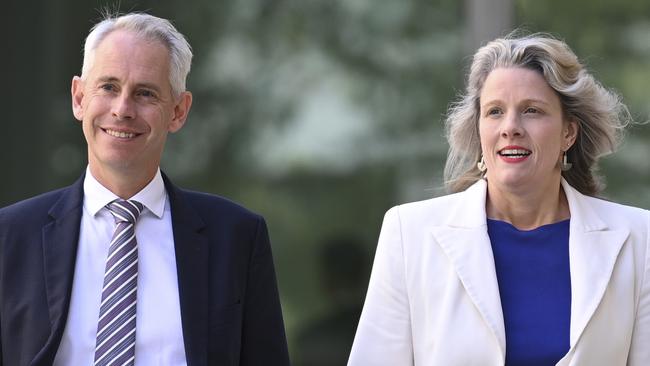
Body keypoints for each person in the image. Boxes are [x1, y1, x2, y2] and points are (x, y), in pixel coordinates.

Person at [0, 12, 290, 366]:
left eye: (145, 93)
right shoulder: (10, 236)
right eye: (108, 87)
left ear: (178, 112)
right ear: (79, 98)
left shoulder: (236, 237)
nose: (123, 109)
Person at [348, 33, 650, 365]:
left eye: (532, 110)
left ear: (568, 133)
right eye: (494, 111)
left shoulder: (640, 237)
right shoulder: (409, 233)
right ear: (479, 129)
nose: (510, 127)